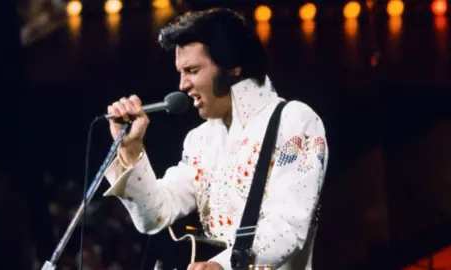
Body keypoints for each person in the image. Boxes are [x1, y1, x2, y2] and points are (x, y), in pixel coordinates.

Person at [103, 8, 328, 270]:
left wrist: (222, 265)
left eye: (192, 70)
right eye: (181, 71)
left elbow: (289, 227)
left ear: (233, 66)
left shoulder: (294, 121)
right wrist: (131, 151)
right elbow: (155, 215)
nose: (182, 85)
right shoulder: (200, 141)